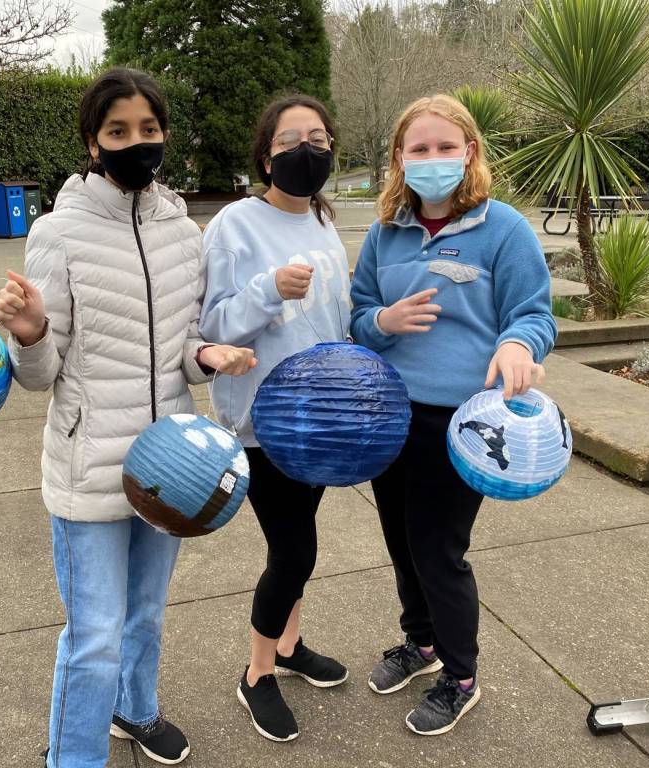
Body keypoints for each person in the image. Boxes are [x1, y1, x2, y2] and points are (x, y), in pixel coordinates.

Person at [0, 67, 255, 768]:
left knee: (146, 613)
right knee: (94, 633)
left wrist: (211, 355)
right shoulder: (58, 232)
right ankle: (74, 757)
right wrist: (30, 331)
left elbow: (181, 353)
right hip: (89, 465)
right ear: (92, 143)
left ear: (165, 135)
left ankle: (135, 710)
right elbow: (40, 376)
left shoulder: (183, 232)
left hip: (172, 465)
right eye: (117, 131)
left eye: (148, 129)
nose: (136, 143)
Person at [350, 94, 556, 736]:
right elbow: (356, 317)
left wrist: (519, 343)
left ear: (469, 153)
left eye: (446, 147)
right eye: (420, 149)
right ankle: (422, 643)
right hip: (389, 415)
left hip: (464, 425)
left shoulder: (505, 230)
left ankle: (459, 676)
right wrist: (383, 321)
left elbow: (535, 312)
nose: (433, 159)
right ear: (399, 159)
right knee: (400, 543)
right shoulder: (384, 234)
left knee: (438, 550)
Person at [199, 94, 352, 743]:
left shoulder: (324, 222)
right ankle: (258, 672)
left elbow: (335, 320)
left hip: (323, 418)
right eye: (291, 140)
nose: (306, 149)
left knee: (299, 539)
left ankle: (289, 646)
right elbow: (210, 328)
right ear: (266, 155)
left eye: (317, 138)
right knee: (295, 550)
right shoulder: (234, 224)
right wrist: (267, 291)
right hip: (264, 424)